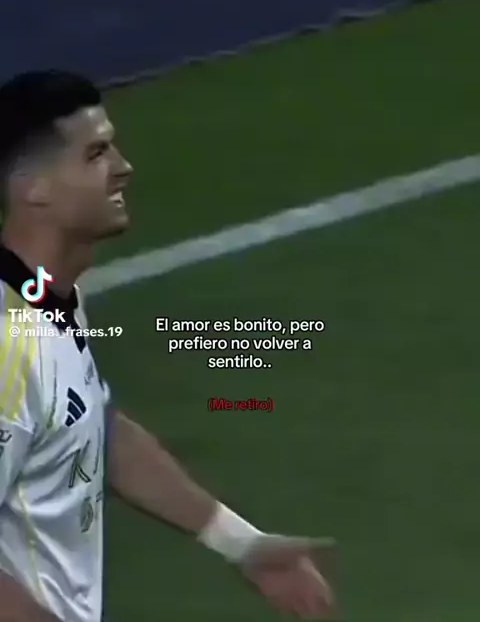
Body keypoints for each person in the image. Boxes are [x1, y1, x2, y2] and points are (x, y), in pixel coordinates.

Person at [0, 70, 336, 622]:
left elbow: (95, 428)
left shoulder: (46, 296)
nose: (123, 167)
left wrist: (242, 543)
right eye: (96, 154)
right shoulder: (10, 349)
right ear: (33, 188)